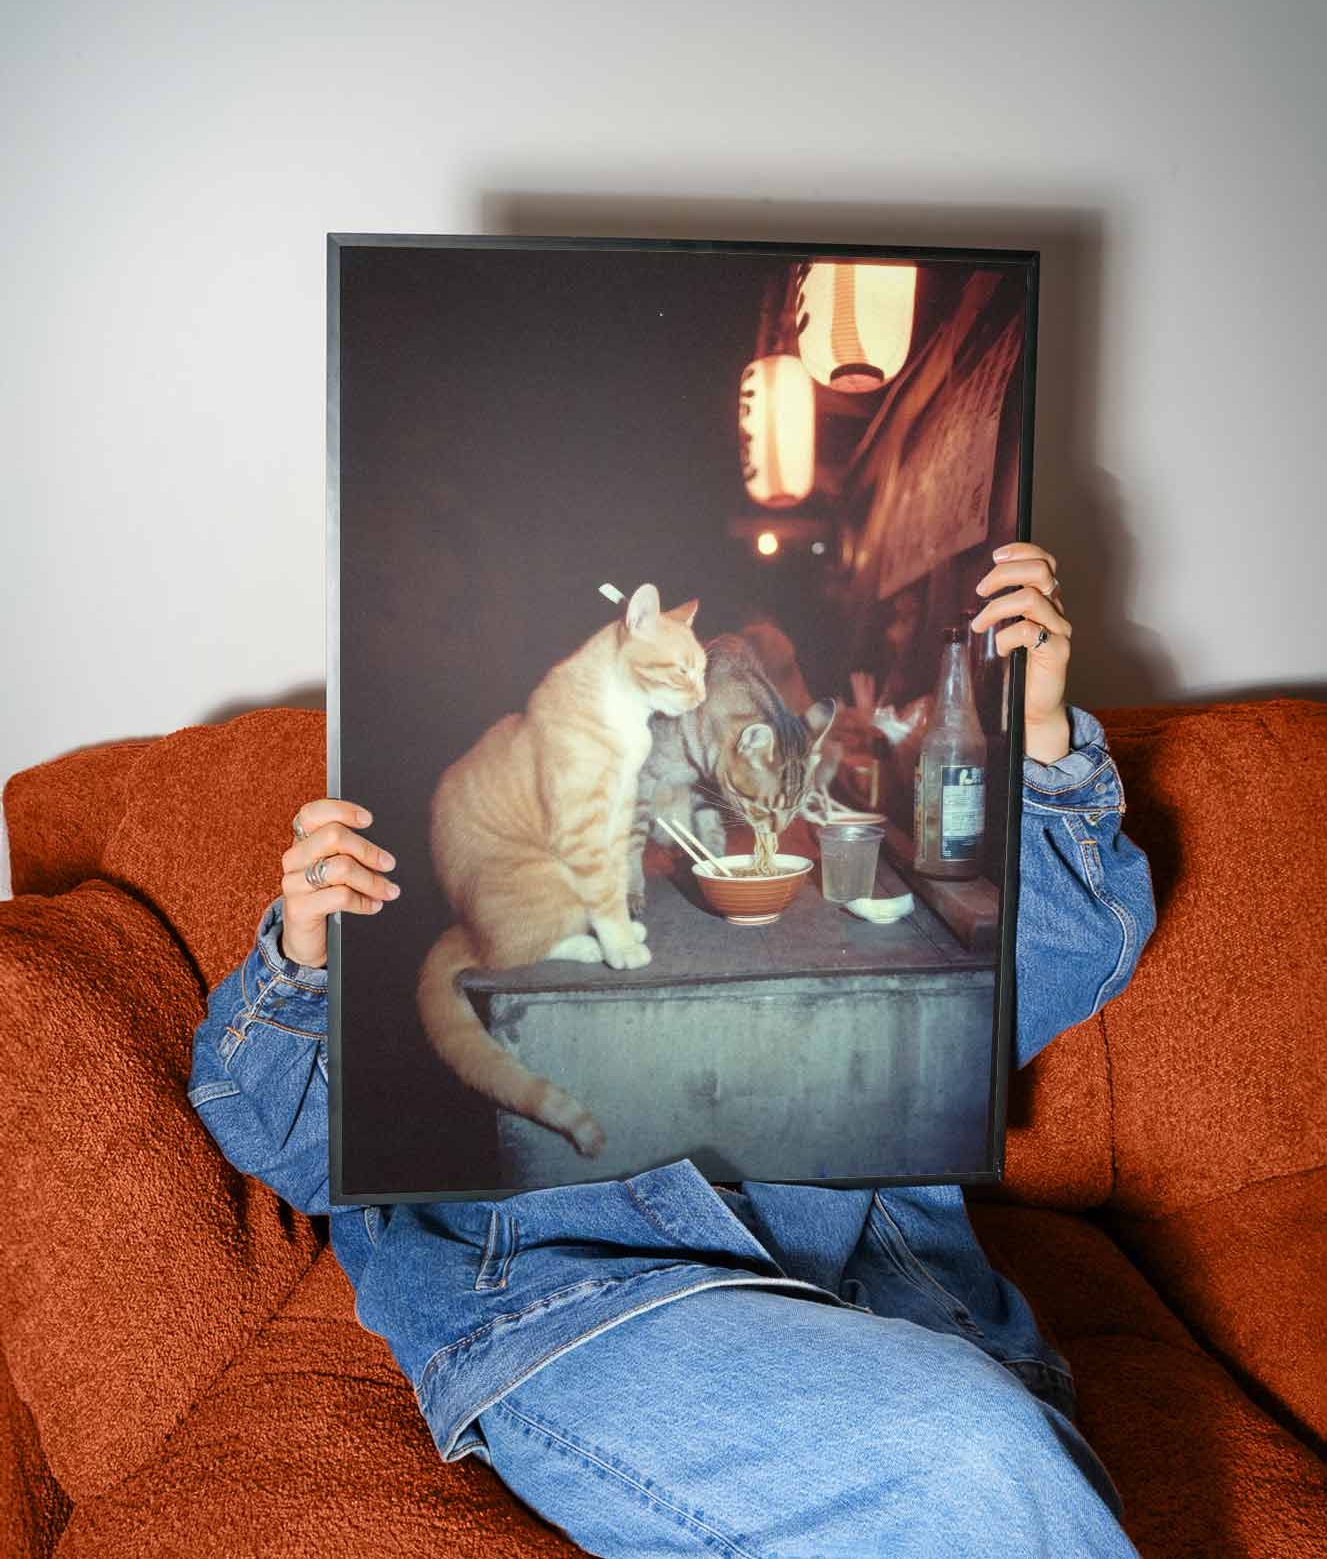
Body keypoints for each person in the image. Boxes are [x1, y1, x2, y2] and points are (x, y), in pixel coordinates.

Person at [188, 540, 1157, 1558]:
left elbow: (1049, 969)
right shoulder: (509, 861)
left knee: (982, 1447)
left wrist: (1037, 740)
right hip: (582, 1297)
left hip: (874, 1298)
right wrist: (306, 959)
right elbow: (281, 1139)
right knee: (977, 1455)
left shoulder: (845, 896)